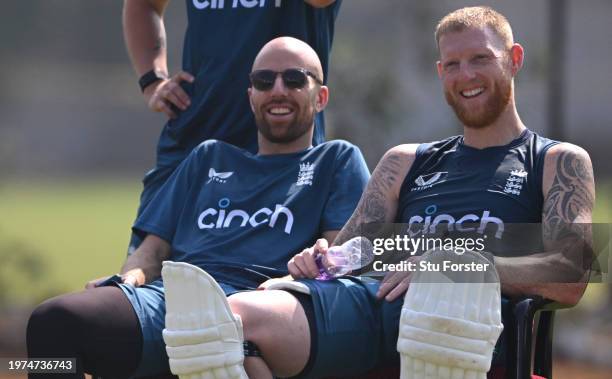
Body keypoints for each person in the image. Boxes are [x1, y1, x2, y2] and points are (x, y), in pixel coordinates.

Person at [26, 37, 370, 379]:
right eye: (264, 81)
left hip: (255, 315)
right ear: (251, 97)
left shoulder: (336, 160)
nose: (277, 90)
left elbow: (340, 258)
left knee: (214, 343)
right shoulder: (208, 158)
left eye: (294, 79)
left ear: (321, 96)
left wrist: (304, 275)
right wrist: (127, 281)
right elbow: (152, 250)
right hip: (171, 304)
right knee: (52, 323)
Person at [284, 5, 595, 378]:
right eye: (452, 64)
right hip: (376, 326)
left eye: (480, 59)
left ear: (514, 60)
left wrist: (453, 266)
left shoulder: (557, 160)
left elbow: (572, 272)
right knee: (252, 323)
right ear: (440, 73)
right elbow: (349, 259)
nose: (466, 75)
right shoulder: (403, 162)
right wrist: (317, 262)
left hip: (470, 338)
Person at [123, 0, 342, 253]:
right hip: (192, 146)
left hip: (285, 156)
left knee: (273, 280)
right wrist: (153, 80)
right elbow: (144, 4)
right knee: (140, 275)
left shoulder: (342, 159)